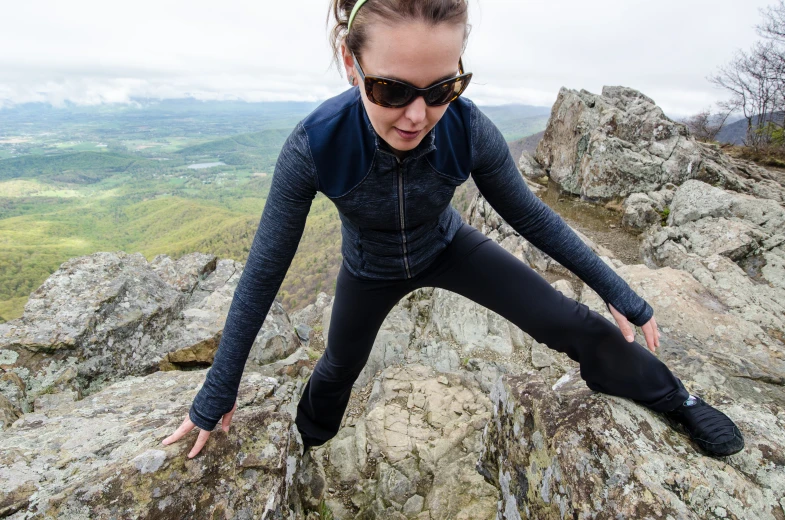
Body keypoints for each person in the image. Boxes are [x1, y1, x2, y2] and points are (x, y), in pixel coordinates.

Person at [163, 0, 744, 459]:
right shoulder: (315, 145)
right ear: (351, 64)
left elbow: (532, 216)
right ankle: (310, 446)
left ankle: (676, 399)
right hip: (369, 269)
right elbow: (265, 269)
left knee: (574, 324)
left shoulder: (468, 130)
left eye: (441, 89)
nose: (417, 116)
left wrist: (620, 292)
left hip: (448, 249)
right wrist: (218, 389)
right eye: (391, 90)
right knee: (338, 367)